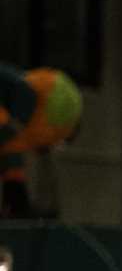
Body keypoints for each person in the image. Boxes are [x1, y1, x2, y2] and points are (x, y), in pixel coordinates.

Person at [0, 64, 82, 219]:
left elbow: (24, 91)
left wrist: (15, 125)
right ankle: (17, 201)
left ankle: (17, 201)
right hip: (48, 106)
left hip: (49, 102)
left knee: (11, 141)